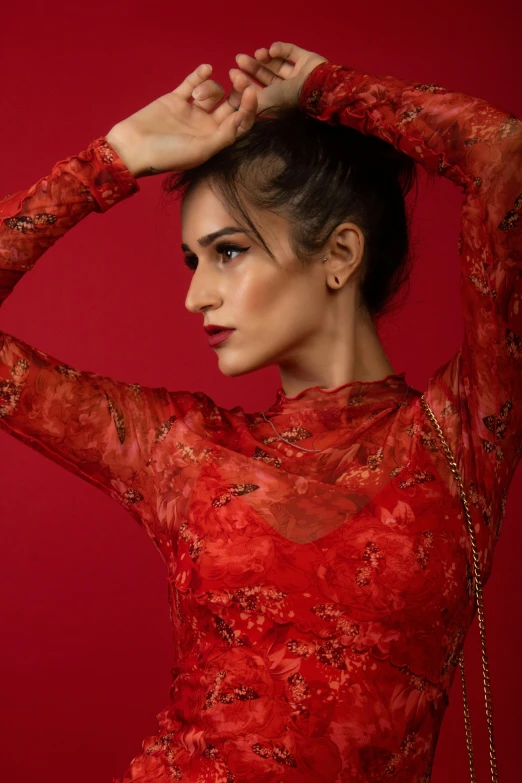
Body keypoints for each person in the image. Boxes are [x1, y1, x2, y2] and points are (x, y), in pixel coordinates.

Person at [0, 39, 520, 783]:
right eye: (193, 260)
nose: (196, 294)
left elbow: (504, 156)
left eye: (229, 252)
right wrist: (109, 162)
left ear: (340, 253)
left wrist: (326, 89)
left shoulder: (460, 433)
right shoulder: (180, 450)